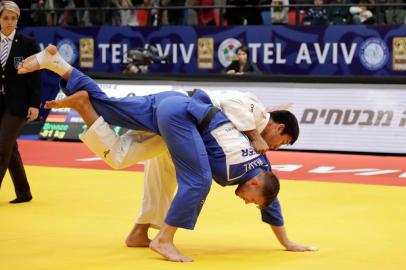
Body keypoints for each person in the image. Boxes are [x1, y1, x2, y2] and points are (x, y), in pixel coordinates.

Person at [18, 45, 317, 261]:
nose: (274, 149)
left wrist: (287, 241)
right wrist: (254, 134)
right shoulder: (254, 116)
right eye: (280, 142)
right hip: (184, 120)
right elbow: (232, 109)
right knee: (182, 176)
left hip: (174, 107)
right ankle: (164, 239)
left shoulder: (258, 159)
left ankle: (59, 65)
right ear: (277, 128)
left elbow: (269, 195)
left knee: (115, 113)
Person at [0, 1, 41, 204]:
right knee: (10, 148)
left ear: (18, 20)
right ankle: (24, 192)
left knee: (1, 147)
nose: (10, 22)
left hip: (17, 105)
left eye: (13, 18)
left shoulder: (27, 43)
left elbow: (35, 78)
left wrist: (34, 104)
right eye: (6, 18)